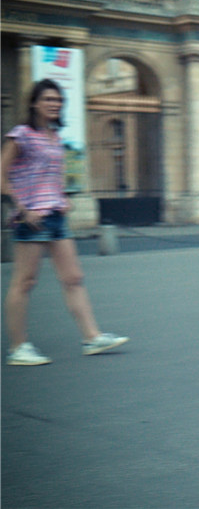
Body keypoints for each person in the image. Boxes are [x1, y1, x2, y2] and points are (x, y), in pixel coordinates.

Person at [2, 79, 129, 366]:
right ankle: (18, 348)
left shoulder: (54, 136)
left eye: (58, 100)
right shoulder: (21, 135)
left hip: (56, 217)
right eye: (48, 99)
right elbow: (1, 177)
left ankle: (92, 337)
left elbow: (51, 174)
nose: (54, 104)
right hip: (31, 218)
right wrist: (22, 208)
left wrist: (61, 195)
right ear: (34, 103)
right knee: (25, 282)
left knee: (73, 278)